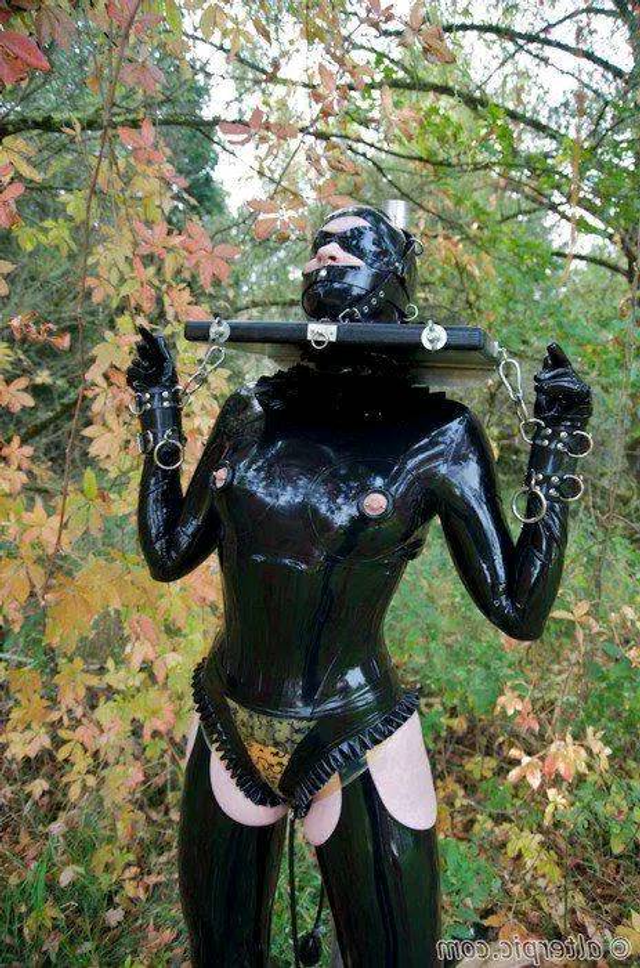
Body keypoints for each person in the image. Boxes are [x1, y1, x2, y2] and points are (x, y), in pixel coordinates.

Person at [126, 205, 592, 968]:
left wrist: (555, 447)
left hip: (357, 728)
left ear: (397, 274)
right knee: (221, 956)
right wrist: (158, 413)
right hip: (227, 715)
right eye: (318, 246)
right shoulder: (251, 413)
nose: (326, 255)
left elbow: (519, 609)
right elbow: (169, 553)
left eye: (351, 243)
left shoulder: (438, 435)